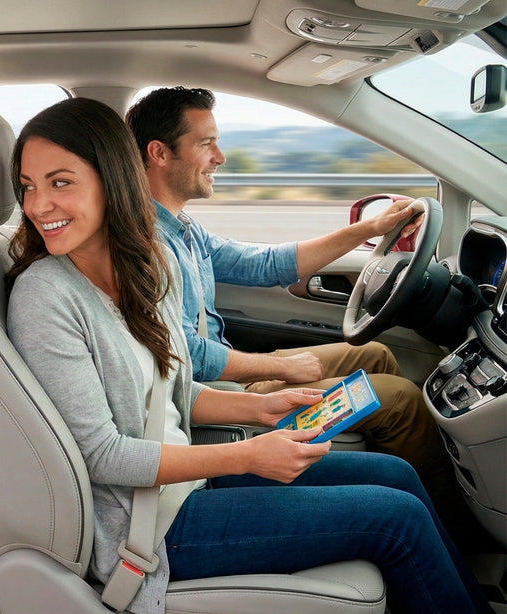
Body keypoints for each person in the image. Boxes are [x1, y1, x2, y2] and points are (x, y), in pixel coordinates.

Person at [5, 97, 491, 614]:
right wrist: (248, 454)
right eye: (29, 186)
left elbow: (172, 388)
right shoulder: (46, 295)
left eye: (60, 183)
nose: (38, 206)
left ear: (114, 180)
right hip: (149, 526)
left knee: (397, 476)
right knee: (396, 518)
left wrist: (260, 409)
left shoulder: (141, 269)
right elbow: (102, 455)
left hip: (185, 482)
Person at [124, 86, 460, 513]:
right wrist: (279, 367)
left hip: (227, 378)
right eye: (206, 144)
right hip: (214, 395)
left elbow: (264, 264)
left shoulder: (183, 228)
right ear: (159, 153)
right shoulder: (147, 246)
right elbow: (184, 357)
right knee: (401, 401)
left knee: (375, 354)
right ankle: (451, 519)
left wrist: (368, 229)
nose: (220, 157)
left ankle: (386, 477)